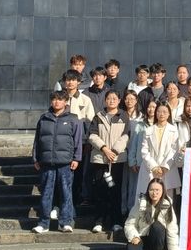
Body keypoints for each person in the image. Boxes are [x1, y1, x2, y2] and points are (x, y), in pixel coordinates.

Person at [31, 90, 83, 234]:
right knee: (46, 193)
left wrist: (77, 158)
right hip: (47, 162)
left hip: (65, 162)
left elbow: (78, 140)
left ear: (65, 102)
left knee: (66, 193)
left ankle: (66, 222)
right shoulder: (44, 118)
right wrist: (35, 158)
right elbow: (37, 140)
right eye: (54, 99)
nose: (56, 102)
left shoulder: (73, 119)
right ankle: (43, 223)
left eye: (60, 99)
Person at [88, 90, 129, 234]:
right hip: (101, 160)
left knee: (115, 190)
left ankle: (116, 221)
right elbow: (92, 135)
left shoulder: (123, 116)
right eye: (109, 98)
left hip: (116, 161)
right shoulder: (98, 116)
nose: (112, 100)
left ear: (119, 100)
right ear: (105, 100)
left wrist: (115, 151)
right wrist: (104, 148)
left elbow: (126, 136)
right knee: (101, 189)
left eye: (114, 98)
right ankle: (99, 221)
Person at [125, 178, 179, 250]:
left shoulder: (167, 205)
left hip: (160, 240)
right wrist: (134, 236)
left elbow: (172, 230)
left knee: (157, 226)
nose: (154, 193)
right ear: (148, 190)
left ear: (162, 191)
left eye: (157, 190)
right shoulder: (141, 203)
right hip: (143, 237)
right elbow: (129, 224)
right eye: (151, 190)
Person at [63, 69, 95, 206]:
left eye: (73, 80)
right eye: (68, 80)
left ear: (78, 82)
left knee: (78, 172)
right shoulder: (60, 99)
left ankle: (75, 201)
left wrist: (87, 141)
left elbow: (91, 122)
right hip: (63, 143)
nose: (70, 83)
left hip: (80, 142)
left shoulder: (85, 99)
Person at [136, 103, 180, 199]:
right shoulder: (148, 130)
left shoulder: (174, 130)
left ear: (169, 114)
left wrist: (165, 167)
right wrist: (154, 167)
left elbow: (174, 150)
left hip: (167, 169)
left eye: (164, 112)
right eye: (159, 111)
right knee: (148, 197)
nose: (161, 114)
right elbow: (144, 150)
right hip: (150, 169)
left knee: (166, 199)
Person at [125, 100, 155, 212]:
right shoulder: (140, 125)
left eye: (154, 107)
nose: (151, 109)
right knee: (136, 190)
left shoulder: (160, 125)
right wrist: (132, 161)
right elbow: (133, 144)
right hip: (139, 163)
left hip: (154, 164)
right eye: (149, 107)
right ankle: (133, 213)